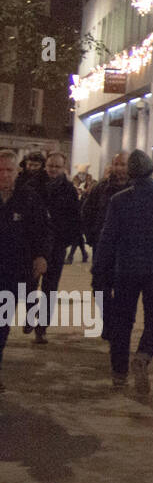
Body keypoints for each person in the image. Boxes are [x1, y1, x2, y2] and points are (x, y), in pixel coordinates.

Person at [93, 150, 153, 394]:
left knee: (122, 321)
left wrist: (99, 270)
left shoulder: (119, 200)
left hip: (124, 269)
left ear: (131, 174)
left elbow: (108, 238)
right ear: (151, 171)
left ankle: (118, 373)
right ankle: (143, 357)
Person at [0, 149, 49, 392]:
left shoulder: (28, 198)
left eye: (9, 170)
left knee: (1, 323)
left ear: (16, 171)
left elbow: (41, 229)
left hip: (12, 270)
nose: (4, 175)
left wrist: (40, 256)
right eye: (0, 171)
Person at [32, 152, 80, 343]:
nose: (53, 169)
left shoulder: (68, 190)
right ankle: (30, 316)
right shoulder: (34, 185)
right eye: (50, 166)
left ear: (63, 168)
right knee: (30, 284)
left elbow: (75, 218)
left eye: (57, 167)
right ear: (46, 166)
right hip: (35, 245)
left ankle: (41, 327)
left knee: (50, 289)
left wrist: (66, 240)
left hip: (57, 246)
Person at [82, 152, 128, 261]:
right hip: (102, 243)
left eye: (122, 165)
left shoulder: (135, 188)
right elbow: (87, 211)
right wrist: (92, 236)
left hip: (126, 246)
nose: (118, 168)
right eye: (116, 164)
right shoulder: (101, 187)